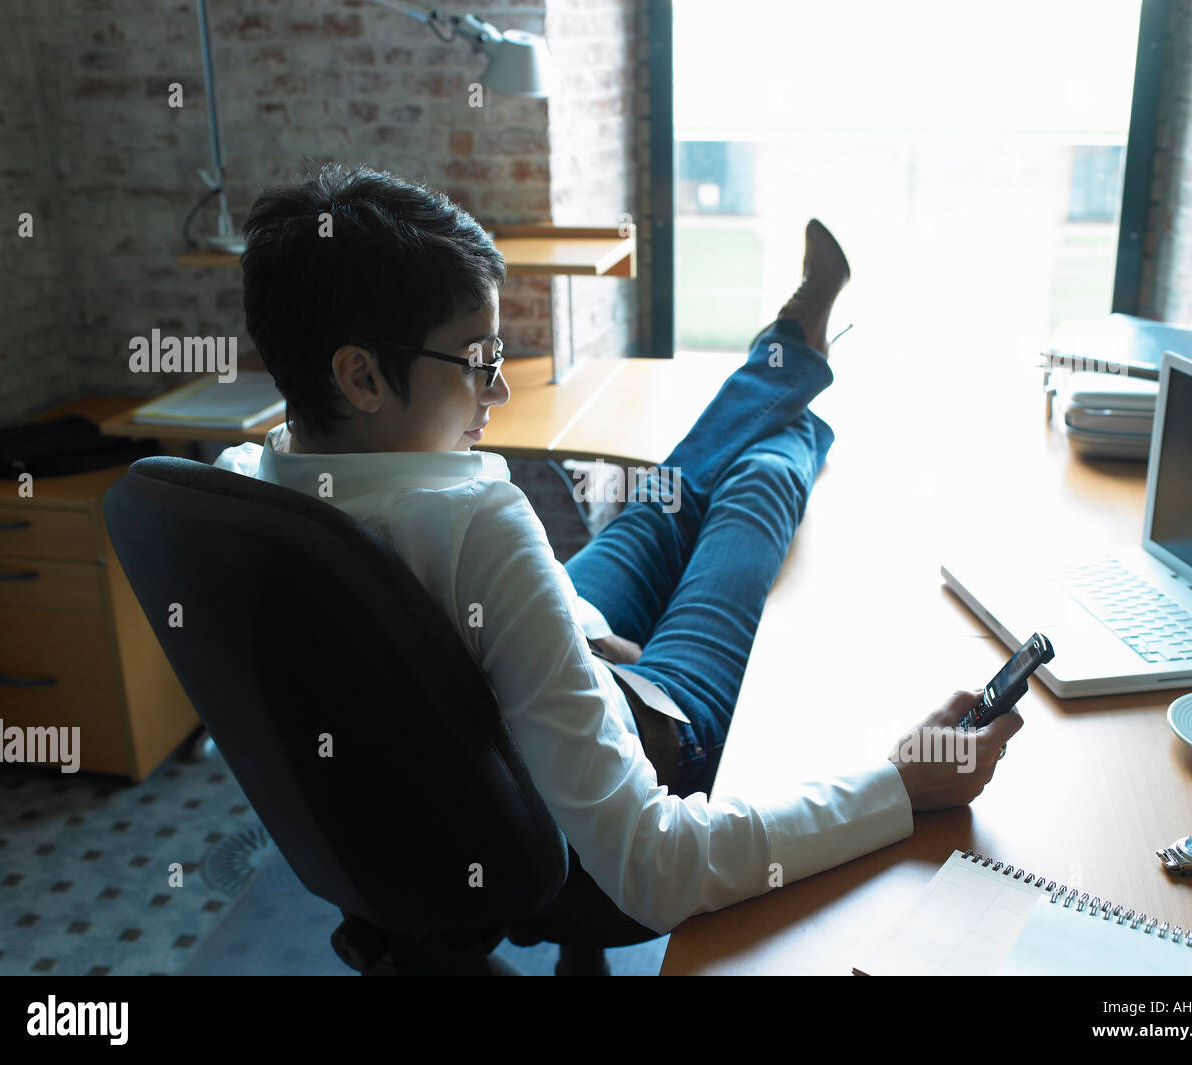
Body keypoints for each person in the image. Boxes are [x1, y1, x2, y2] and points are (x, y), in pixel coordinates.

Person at [214, 163, 1022, 936]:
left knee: (664, 498)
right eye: (481, 360)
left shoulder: (245, 481)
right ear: (360, 377)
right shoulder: (474, 525)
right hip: (648, 733)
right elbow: (657, 866)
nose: (497, 390)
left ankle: (794, 354)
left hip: (544, 651)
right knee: (757, 483)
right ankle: (796, 378)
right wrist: (901, 786)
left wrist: (574, 634)